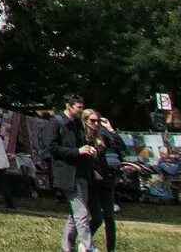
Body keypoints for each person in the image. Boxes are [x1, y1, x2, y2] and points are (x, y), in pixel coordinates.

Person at [50, 95, 100, 252]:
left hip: (81, 174)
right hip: (66, 174)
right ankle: (88, 247)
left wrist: (88, 150)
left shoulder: (77, 125)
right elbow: (51, 148)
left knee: (75, 215)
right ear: (68, 106)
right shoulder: (56, 123)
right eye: (79, 107)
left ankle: (67, 247)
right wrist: (77, 151)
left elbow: (81, 146)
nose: (81, 110)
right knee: (82, 214)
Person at [86, 112, 124, 251]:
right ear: (85, 120)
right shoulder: (81, 137)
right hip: (92, 183)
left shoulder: (102, 137)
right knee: (97, 218)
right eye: (93, 120)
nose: (96, 124)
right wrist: (92, 172)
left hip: (107, 181)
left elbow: (121, 146)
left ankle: (111, 249)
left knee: (109, 218)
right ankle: (85, 243)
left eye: (98, 121)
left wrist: (110, 129)